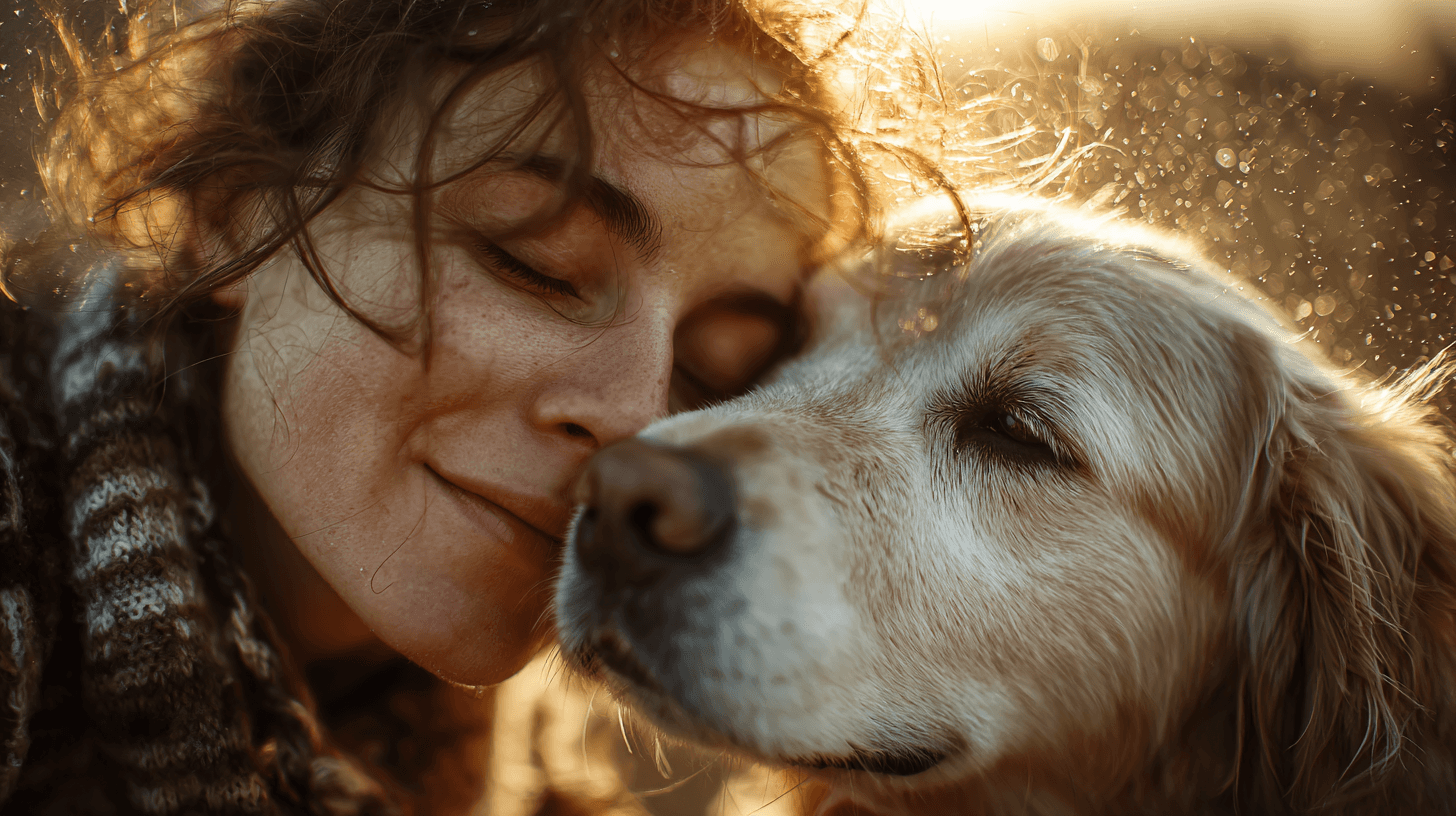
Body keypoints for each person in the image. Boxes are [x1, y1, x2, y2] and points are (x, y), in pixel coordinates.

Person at [0, 0, 927, 812]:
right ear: (235, 204)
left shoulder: (535, 780)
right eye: (536, 261)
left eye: (718, 365)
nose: (640, 425)